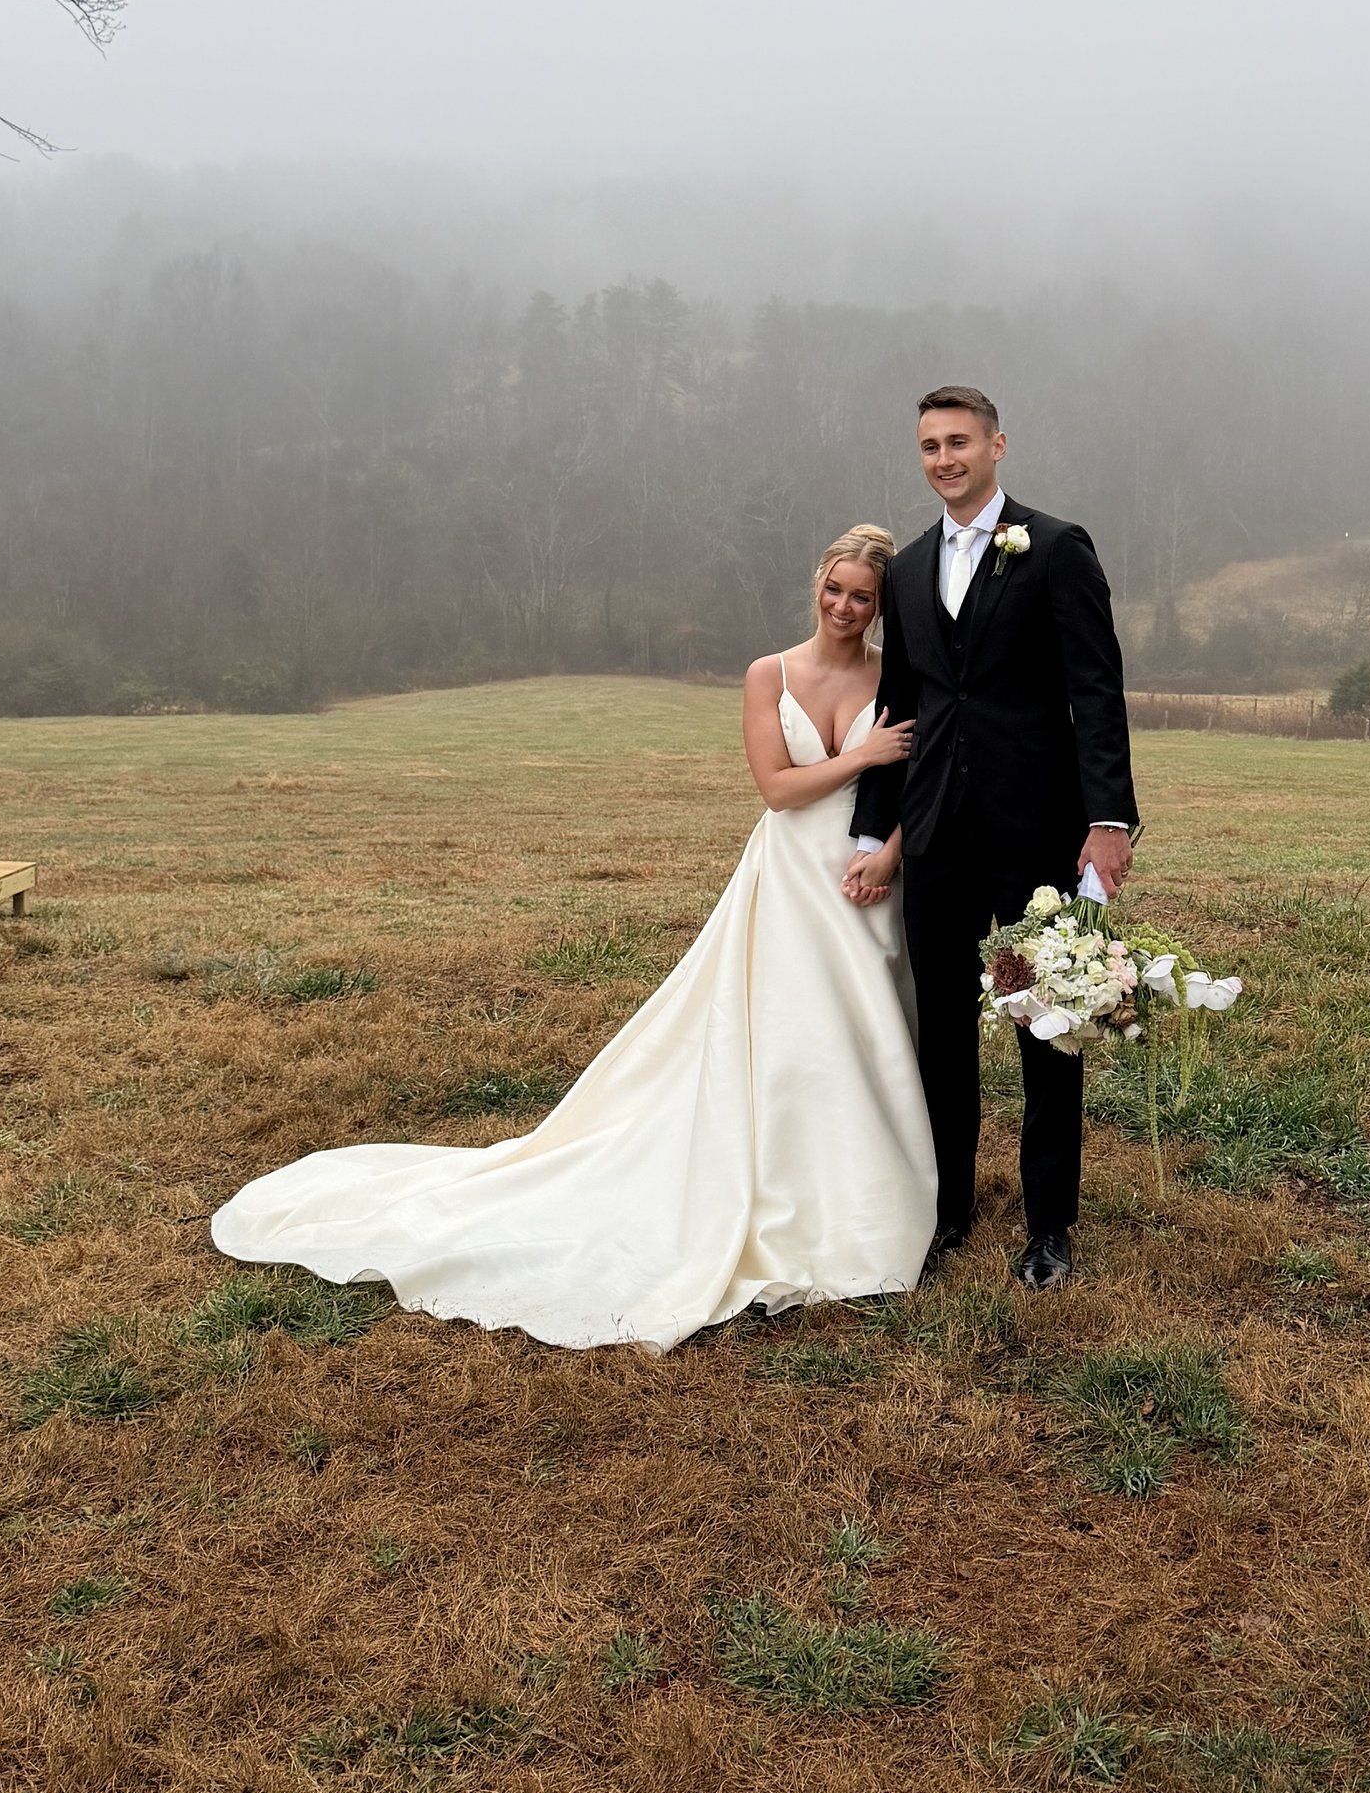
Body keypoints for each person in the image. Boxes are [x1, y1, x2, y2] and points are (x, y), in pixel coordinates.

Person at [208, 528, 934, 1351]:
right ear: (817, 586)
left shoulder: (895, 677)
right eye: (834, 589)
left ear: (882, 606)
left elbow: (920, 782)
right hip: (792, 875)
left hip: (869, 876)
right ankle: (770, 1191)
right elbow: (775, 788)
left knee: (862, 1033)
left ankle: (859, 1195)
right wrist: (862, 752)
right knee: (785, 1033)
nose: (843, 606)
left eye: (861, 596)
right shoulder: (769, 673)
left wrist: (890, 857)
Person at [844, 385, 1137, 1291]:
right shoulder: (908, 568)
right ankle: (950, 1211)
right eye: (929, 445)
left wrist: (1108, 820)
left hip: (1037, 834)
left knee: (1046, 1025)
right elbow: (902, 705)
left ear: (997, 445)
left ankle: (1050, 1226)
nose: (944, 459)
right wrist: (871, 827)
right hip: (936, 836)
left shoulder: (1055, 548)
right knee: (943, 1033)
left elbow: (1096, 688)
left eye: (959, 441)